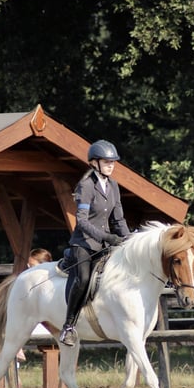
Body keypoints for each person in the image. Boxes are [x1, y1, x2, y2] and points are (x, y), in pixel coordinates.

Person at [59, 139, 131, 347]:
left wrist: (127, 240)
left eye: (113, 162)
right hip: (84, 244)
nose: (111, 165)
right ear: (94, 162)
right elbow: (81, 220)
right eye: (107, 162)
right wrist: (106, 237)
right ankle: (69, 326)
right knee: (82, 279)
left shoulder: (114, 185)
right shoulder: (86, 185)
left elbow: (118, 219)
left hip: (104, 245)